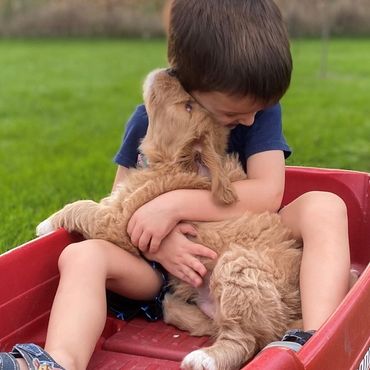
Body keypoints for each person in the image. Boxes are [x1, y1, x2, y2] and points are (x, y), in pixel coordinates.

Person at [0, 1, 351, 369]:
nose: (248, 120)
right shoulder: (151, 120)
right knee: (81, 255)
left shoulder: (256, 110)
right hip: (162, 275)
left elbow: (267, 195)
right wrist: (160, 242)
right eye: (232, 114)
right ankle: (56, 362)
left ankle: (313, 341)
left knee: (324, 205)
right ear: (190, 83)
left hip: (249, 248)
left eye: (258, 110)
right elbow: (118, 201)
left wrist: (170, 207)